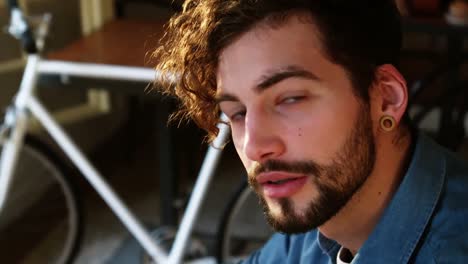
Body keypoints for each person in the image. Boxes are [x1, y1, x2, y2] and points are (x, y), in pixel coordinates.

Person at [153, 0, 468, 263]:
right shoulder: (325, 208)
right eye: (237, 112)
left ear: (385, 98)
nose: (253, 146)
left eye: (290, 99)